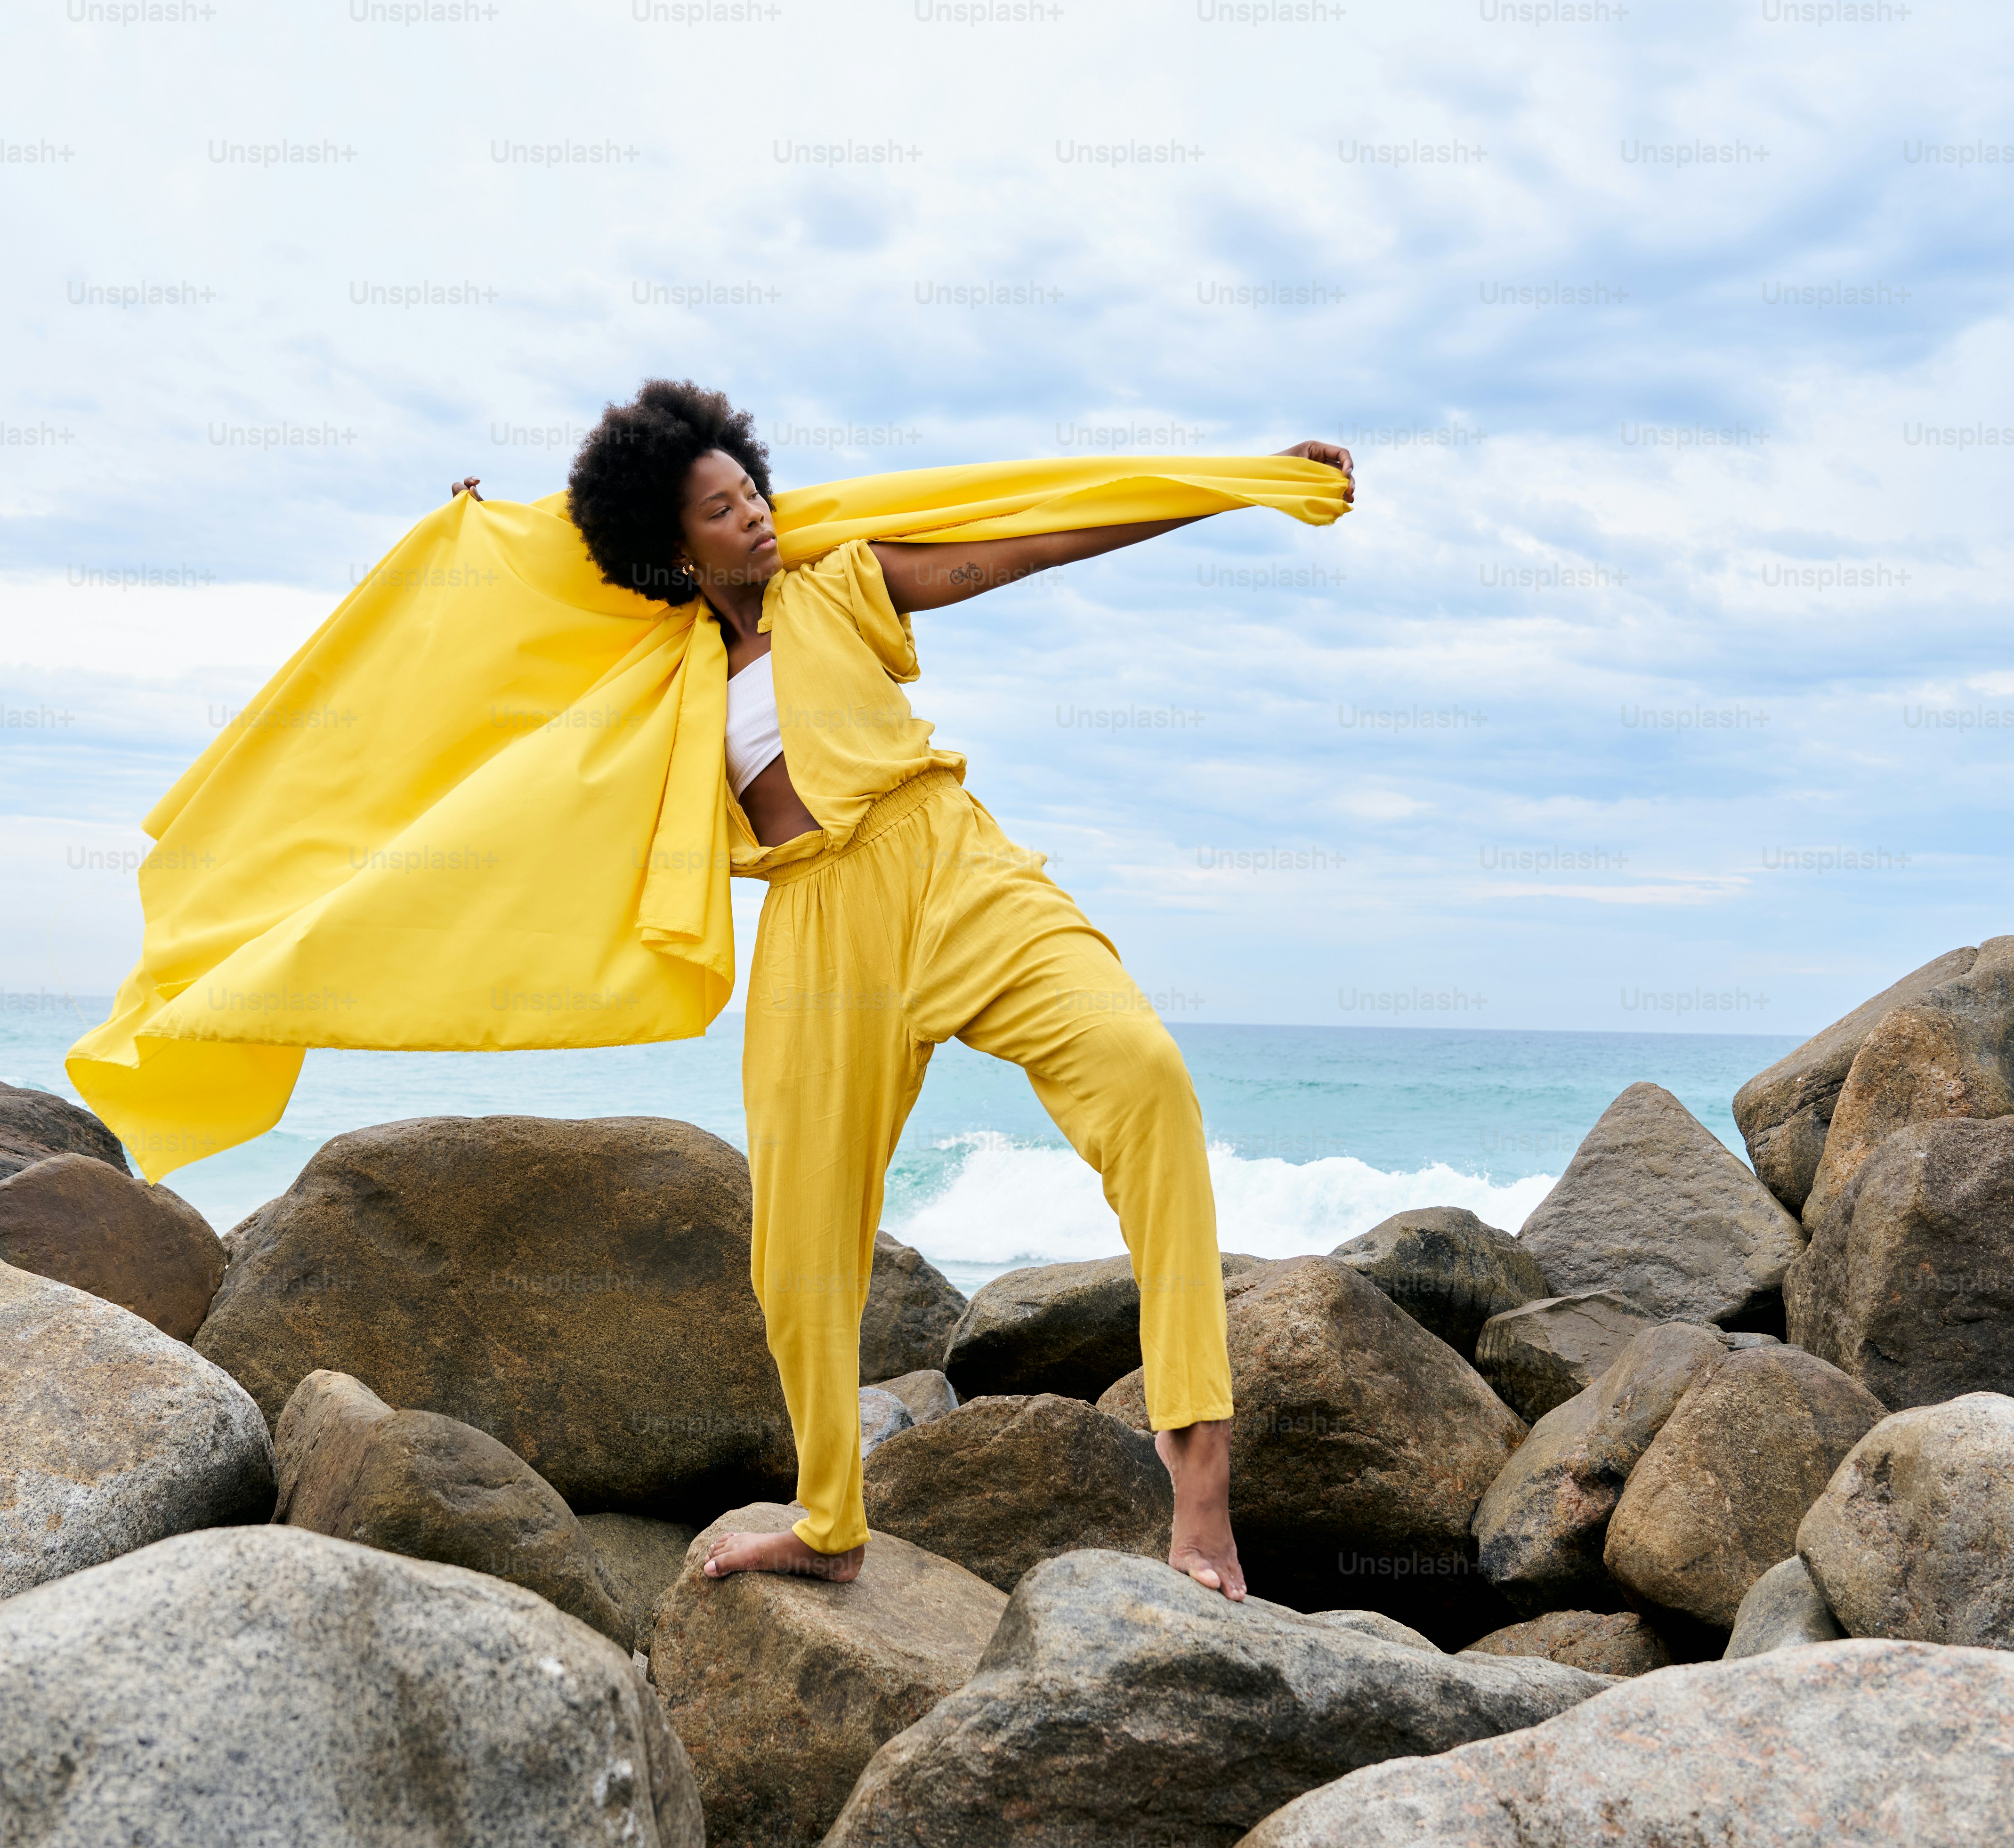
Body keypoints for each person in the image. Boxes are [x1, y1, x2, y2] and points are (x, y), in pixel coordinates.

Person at [451, 380, 1356, 1600]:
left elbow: (1033, 537)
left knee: (1145, 1077)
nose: (757, 518)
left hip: (951, 865)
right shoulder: (659, 675)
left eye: (753, 490)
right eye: (723, 511)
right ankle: (832, 1518)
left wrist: (1233, 484)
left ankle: (1200, 1499)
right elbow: (498, 686)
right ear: (676, 546)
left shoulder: (840, 580)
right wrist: (486, 558)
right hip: (818, 931)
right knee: (797, 1248)